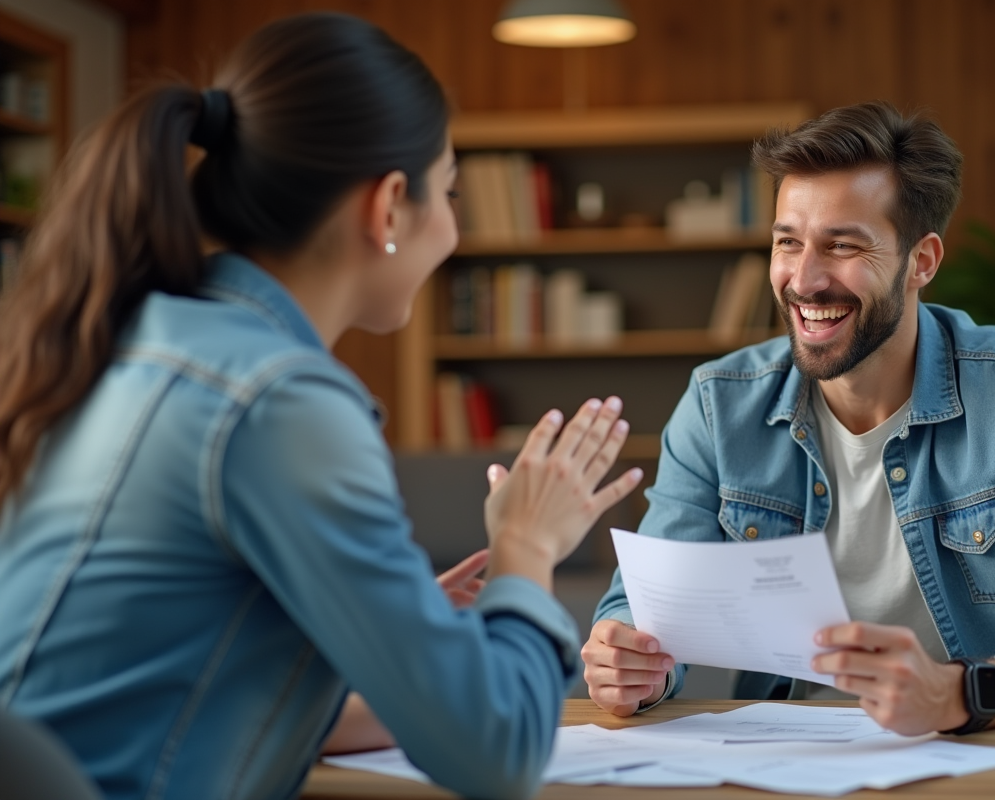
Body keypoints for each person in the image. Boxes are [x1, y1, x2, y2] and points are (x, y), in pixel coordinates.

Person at [0, 13, 643, 800]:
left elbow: (184, 682)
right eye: (448, 193)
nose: (452, 229)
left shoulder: (137, 337)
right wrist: (526, 546)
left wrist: (388, 642)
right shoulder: (282, 402)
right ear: (389, 207)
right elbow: (497, 753)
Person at [584, 101, 995, 736]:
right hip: (788, 755)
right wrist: (630, 661)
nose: (804, 280)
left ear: (922, 261)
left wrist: (957, 694)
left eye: (842, 246)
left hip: (986, 748)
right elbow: (649, 607)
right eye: (788, 242)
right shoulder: (719, 405)